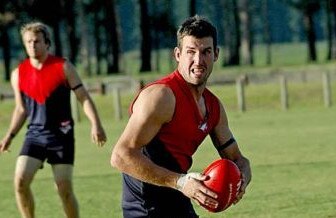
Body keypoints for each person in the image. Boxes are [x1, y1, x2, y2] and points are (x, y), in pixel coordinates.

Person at [110, 15, 252, 218]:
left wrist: (241, 180)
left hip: (178, 200)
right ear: (178, 54)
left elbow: (238, 159)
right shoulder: (161, 96)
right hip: (145, 208)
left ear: (216, 55)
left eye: (206, 52)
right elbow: (121, 156)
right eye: (191, 52)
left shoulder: (213, 107)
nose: (198, 60)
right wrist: (181, 182)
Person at [0, 21, 107, 218]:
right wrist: (9, 135)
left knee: (64, 190)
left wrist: (96, 124)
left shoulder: (63, 67)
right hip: (34, 136)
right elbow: (21, 109)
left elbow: (83, 97)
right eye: (28, 42)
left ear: (47, 43)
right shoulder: (18, 74)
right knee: (20, 182)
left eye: (37, 41)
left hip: (61, 136)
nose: (33, 45)